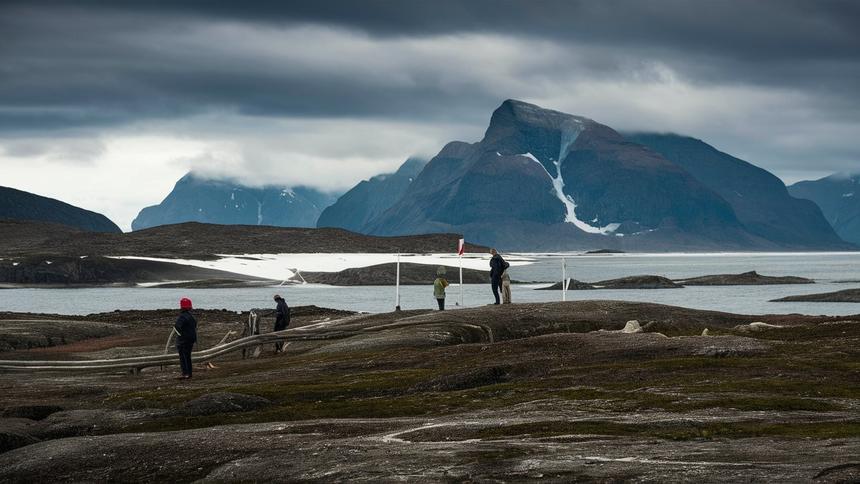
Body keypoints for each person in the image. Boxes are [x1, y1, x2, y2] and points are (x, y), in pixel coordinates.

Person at [174, 297, 197, 379]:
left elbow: (177, 327)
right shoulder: (191, 317)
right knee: (188, 356)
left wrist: (180, 335)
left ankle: (185, 373)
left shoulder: (182, 317)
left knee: (183, 357)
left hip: (184, 340)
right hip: (192, 339)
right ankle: (189, 373)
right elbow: (194, 326)